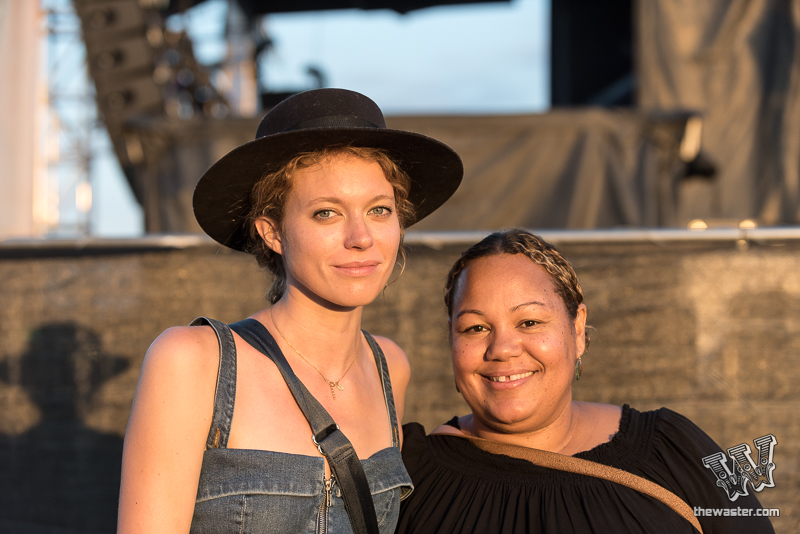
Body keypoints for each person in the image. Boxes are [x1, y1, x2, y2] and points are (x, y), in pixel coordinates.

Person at [117, 88, 463, 533]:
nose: (361, 237)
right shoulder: (194, 361)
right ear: (273, 232)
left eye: (379, 210)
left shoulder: (389, 367)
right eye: (326, 213)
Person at [396, 229, 775, 534]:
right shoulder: (407, 479)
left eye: (529, 322)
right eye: (476, 328)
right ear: (451, 340)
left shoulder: (674, 449)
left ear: (577, 330)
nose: (503, 349)